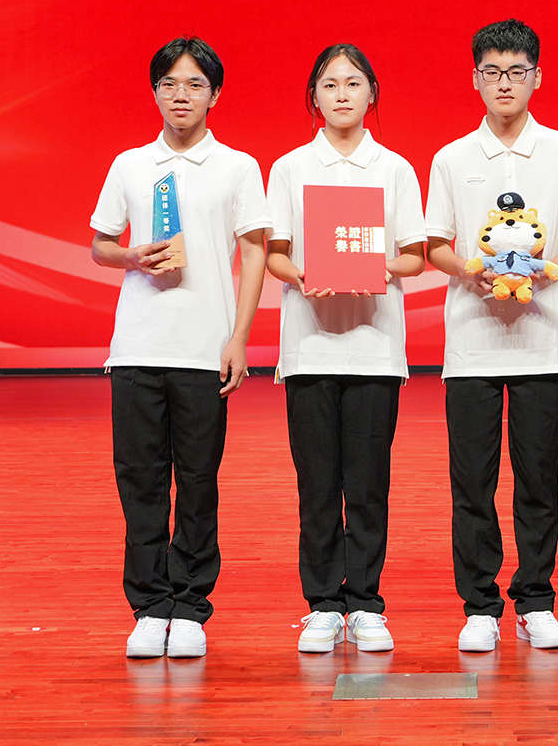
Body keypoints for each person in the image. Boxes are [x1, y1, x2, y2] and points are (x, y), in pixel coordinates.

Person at [90, 37, 270, 661]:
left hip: (204, 348)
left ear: (214, 94)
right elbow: (100, 244)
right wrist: (131, 256)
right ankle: (148, 606)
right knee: (140, 480)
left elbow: (254, 252)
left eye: (194, 84)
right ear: (155, 93)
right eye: (169, 84)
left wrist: (239, 336)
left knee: (197, 481)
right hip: (137, 346)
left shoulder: (238, 167)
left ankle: (190, 605)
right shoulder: (130, 164)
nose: (181, 95)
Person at [426, 19, 558, 653]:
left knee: (538, 480)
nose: (505, 83)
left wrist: (548, 266)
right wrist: (469, 270)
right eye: (493, 72)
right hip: (473, 341)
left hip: (543, 339)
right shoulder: (452, 157)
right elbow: (435, 244)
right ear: (475, 79)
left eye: (517, 72)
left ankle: (535, 601)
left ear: (536, 77)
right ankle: (480, 605)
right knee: (472, 482)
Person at [265, 43, 426, 654]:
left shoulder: (395, 168)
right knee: (316, 484)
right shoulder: (289, 167)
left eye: (353, 83)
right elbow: (276, 253)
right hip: (308, 347)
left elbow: (414, 255)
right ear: (314, 96)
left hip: (374, 348)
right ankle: (323, 605)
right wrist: (304, 273)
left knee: (367, 485)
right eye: (329, 84)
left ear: (371, 94)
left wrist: (376, 266)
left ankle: (365, 603)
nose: (341, 94)